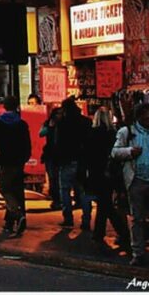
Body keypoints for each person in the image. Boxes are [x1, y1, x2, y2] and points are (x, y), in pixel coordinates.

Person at [112, 102, 149, 268]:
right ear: (138, 118)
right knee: (137, 219)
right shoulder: (127, 133)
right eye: (146, 117)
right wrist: (129, 151)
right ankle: (138, 253)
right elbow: (115, 152)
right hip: (136, 179)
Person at [85, 107, 132, 255]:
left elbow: (88, 155)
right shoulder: (113, 134)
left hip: (97, 172)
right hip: (111, 172)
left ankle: (121, 233)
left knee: (105, 203)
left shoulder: (92, 134)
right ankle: (101, 232)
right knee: (104, 202)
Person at [0, 95, 31, 236]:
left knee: (4, 187)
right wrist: (24, 158)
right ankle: (10, 220)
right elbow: (27, 144)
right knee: (15, 189)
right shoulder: (21, 123)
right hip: (18, 161)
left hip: (5, 160)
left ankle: (17, 214)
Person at [54, 97, 92, 229]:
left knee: (65, 190)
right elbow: (89, 143)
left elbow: (58, 143)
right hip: (82, 160)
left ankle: (68, 218)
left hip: (66, 160)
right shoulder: (86, 122)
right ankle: (86, 220)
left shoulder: (62, 123)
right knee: (83, 191)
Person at [40, 107, 63, 211]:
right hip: (51, 155)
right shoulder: (49, 123)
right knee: (53, 178)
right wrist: (50, 127)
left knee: (59, 178)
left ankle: (60, 200)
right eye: (57, 114)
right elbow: (41, 133)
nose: (59, 116)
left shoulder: (64, 123)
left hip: (60, 154)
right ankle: (56, 200)